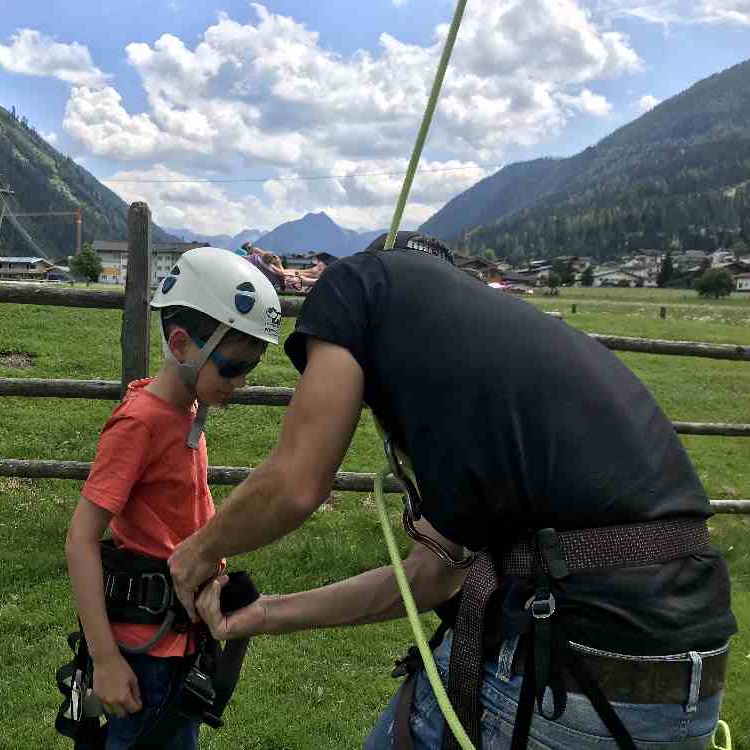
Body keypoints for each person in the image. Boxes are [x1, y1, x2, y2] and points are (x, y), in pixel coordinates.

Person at [168, 231, 735, 749]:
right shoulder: (498, 377)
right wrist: (262, 615)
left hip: (569, 665)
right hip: (692, 670)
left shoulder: (356, 285)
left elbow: (296, 484)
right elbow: (432, 575)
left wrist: (195, 553)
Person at [64, 247, 282, 750]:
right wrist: (106, 659)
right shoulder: (140, 423)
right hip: (144, 656)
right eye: (231, 367)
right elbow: (81, 539)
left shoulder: (187, 413)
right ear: (182, 344)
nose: (242, 383)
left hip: (178, 641)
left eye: (251, 368)